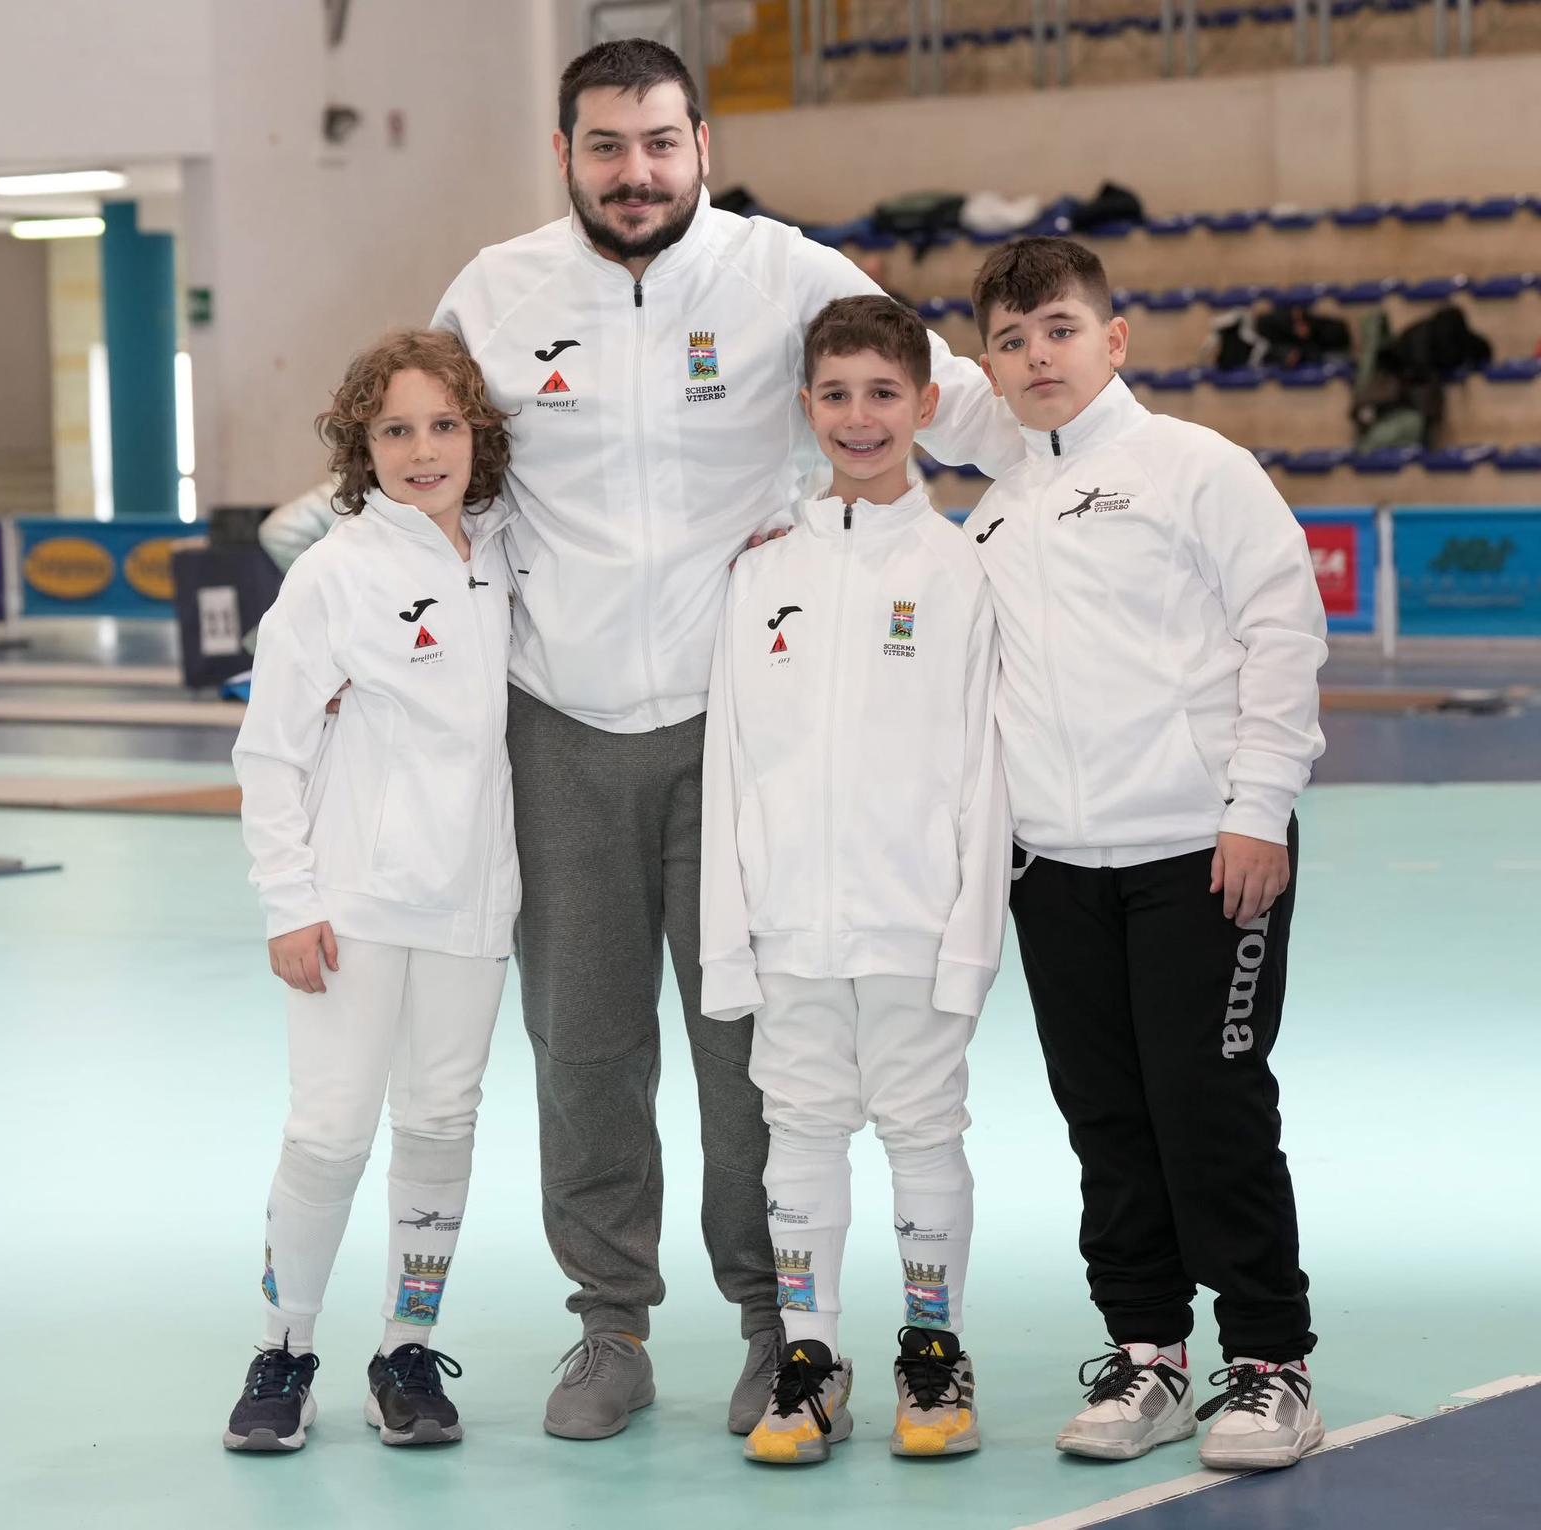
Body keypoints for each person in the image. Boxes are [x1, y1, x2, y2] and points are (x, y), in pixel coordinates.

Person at [429, 38, 1024, 1441]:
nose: (633, 173)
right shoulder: (496, 293)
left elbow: (950, 393)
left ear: (700, 142)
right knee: (582, 1043)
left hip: (730, 720)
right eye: (604, 146)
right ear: (564, 153)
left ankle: (780, 1324)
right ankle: (612, 1326)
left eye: (656, 143)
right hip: (558, 718)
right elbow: (432, 469)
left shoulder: (791, 277)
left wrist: (1098, 466)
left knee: (742, 1039)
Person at [965, 237, 1328, 1471]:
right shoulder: (996, 507)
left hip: (1202, 853)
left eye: (1058, 330)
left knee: (1207, 1105)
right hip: (1055, 867)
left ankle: (1270, 1363)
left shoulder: (1193, 469)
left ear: (1112, 340)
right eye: (1011, 341)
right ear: (990, 367)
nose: (1036, 357)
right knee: (1106, 1117)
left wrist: (1258, 808)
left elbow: (1282, 627)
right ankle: (1146, 1355)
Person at [701, 296, 1008, 1464]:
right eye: (834, 394)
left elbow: (985, 772)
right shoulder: (760, 575)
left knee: (925, 1130)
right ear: (805, 410)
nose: (859, 416)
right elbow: (733, 761)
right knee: (802, 1130)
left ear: (928, 406)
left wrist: (969, 936)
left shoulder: (961, 568)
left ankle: (933, 1355)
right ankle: (808, 1359)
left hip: (916, 923)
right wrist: (731, 940)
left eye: (884, 393)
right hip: (789, 929)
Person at [224, 330, 519, 1453]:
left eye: (444, 424)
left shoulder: (505, 551)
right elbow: (271, 750)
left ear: (477, 436)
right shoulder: (335, 572)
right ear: (363, 445)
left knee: (442, 1123)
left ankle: (406, 1349)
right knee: (331, 1132)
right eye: (395, 429)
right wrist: (286, 902)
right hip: (350, 908)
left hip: (473, 906)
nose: (422, 447)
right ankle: (282, 1349)